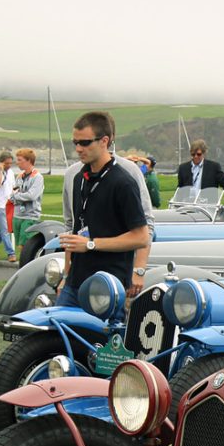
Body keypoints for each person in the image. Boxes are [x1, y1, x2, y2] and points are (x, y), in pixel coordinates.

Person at [53, 111, 151, 307]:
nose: (79, 149)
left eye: (85, 143)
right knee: (58, 333)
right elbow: (74, 229)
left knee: (99, 337)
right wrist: (66, 274)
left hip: (108, 285)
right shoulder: (78, 176)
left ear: (104, 141)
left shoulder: (123, 182)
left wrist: (91, 244)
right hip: (75, 281)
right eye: (75, 143)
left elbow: (142, 236)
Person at [9, 148, 45, 260]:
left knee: (27, 245)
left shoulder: (37, 177)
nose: (17, 162)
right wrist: (16, 197)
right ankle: (24, 262)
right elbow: (12, 194)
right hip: (17, 215)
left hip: (30, 216)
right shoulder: (19, 176)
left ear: (28, 161)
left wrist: (17, 196)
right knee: (20, 246)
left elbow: (32, 196)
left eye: (20, 160)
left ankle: (28, 263)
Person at [175, 138, 224, 205]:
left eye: (198, 154)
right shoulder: (183, 168)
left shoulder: (214, 167)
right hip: (188, 207)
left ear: (204, 153)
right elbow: (180, 190)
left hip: (208, 207)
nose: (195, 156)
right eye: (193, 154)